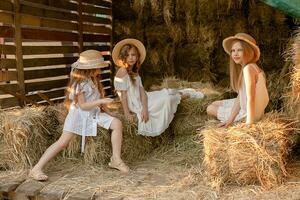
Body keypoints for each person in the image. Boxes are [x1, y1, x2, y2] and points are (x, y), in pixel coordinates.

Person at [29, 50, 129, 181]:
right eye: (98, 68)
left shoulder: (94, 81)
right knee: (63, 142)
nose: (100, 70)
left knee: (117, 123)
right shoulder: (79, 84)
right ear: (90, 69)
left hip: (93, 114)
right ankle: (36, 168)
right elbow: (83, 106)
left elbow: (99, 101)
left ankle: (116, 159)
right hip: (79, 115)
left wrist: (110, 112)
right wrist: (101, 101)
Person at [112, 38, 186, 137]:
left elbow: (142, 91)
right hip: (135, 103)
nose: (131, 58)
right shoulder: (123, 71)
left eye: (133, 55)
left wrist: (145, 108)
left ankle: (184, 94)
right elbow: (123, 95)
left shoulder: (134, 71)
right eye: (127, 55)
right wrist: (127, 113)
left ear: (137, 56)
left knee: (166, 93)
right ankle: (183, 95)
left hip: (142, 98)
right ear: (123, 57)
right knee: (167, 98)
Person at [206, 33, 269, 127]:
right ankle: (231, 117)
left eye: (239, 50)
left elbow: (251, 99)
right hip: (252, 109)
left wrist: (249, 123)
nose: (235, 54)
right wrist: (229, 120)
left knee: (210, 108)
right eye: (233, 50)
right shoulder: (252, 67)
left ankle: (242, 119)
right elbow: (241, 98)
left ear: (248, 51)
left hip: (248, 115)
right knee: (215, 103)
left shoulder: (248, 69)